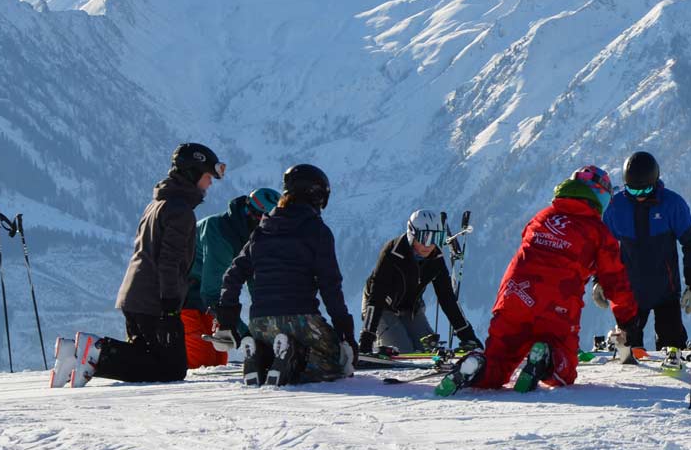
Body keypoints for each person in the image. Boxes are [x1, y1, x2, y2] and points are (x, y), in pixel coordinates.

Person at [436, 166, 636, 395]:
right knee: (565, 372)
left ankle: (477, 366)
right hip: (556, 305)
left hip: (513, 297)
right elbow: (616, 281)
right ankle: (547, 359)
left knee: (498, 365)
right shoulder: (598, 231)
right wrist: (627, 320)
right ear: (599, 196)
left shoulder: (542, 216)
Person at [60, 143, 224, 387]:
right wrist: (169, 307)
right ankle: (96, 352)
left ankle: (74, 356)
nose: (210, 183)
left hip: (137, 295)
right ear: (192, 173)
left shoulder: (158, 203)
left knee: (150, 357)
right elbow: (169, 260)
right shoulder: (180, 210)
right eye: (208, 176)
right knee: (171, 368)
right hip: (154, 300)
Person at [215, 164, 358, 385]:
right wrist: (345, 332)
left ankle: (262, 357)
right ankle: (295, 359)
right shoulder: (317, 231)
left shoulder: (261, 231)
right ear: (318, 196)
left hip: (260, 323)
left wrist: (227, 316)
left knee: (278, 349)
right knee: (337, 362)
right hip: (300, 318)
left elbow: (233, 274)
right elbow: (330, 285)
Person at [600, 151, 691, 354]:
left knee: (673, 350)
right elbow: (603, 248)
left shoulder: (672, 204)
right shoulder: (616, 206)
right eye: (633, 191)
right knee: (627, 352)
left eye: (645, 190)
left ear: (656, 182)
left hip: (666, 291)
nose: (640, 197)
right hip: (629, 293)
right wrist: (598, 280)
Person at [180, 187, 280, 369]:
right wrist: (246, 334)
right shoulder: (219, 232)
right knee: (201, 360)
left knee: (217, 361)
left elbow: (256, 286)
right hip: (180, 299)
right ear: (257, 217)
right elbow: (212, 292)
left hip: (203, 302)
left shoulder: (252, 237)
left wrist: (267, 331)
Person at [359, 209, 482, 354]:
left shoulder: (436, 257)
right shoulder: (392, 253)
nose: (429, 245)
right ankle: (380, 344)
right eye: (425, 237)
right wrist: (367, 337)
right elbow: (376, 297)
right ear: (412, 234)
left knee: (428, 351)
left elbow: (447, 299)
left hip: (411, 308)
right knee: (404, 351)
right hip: (382, 308)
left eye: (436, 239)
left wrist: (467, 335)